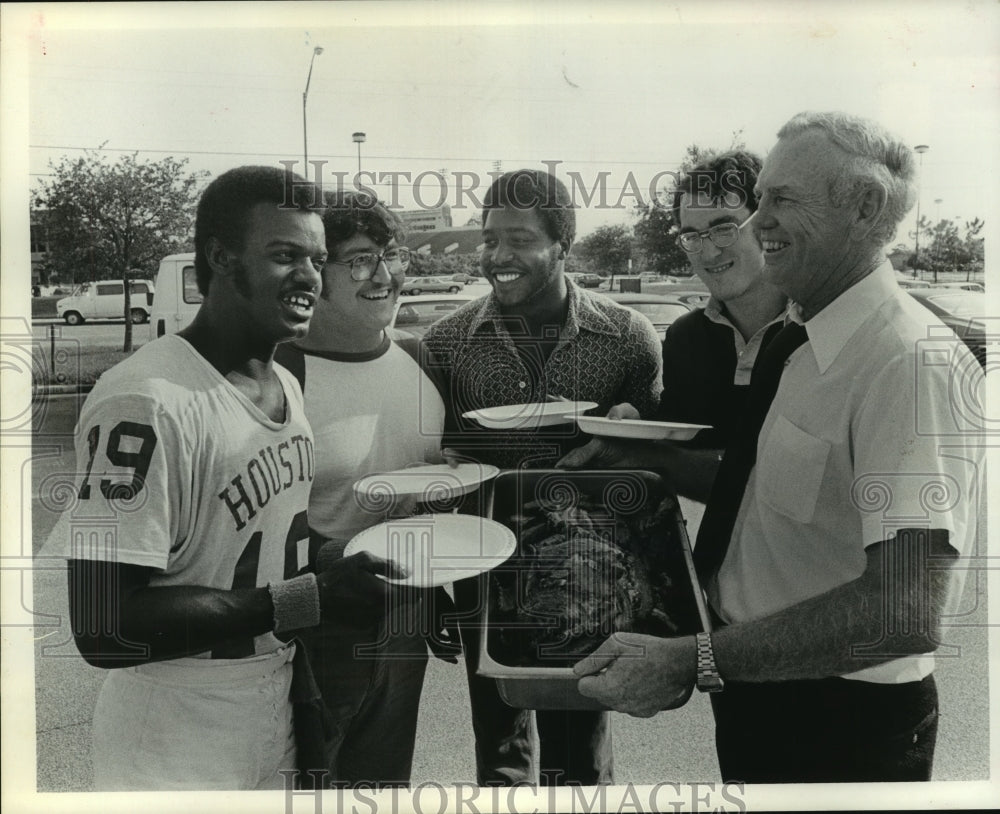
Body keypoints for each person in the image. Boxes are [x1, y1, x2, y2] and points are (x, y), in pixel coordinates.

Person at [572, 112, 986, 783]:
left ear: (865, 206)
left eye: (781, 199)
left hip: (841, 719)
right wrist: (646, 458)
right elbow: (764, 494)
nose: (759, 221)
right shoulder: (805, 342)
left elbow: (904, 613)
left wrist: (694, 660)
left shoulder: (907, 361)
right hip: (761, 688)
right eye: (760, 198)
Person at [40, 165, 400, 791]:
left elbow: (259, 538)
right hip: (176, 723)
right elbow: (103, 626)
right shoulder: (143, 398)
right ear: (220, 257)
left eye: (316, 259)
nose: (309, 277)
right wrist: (310, 598)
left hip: (273, 695)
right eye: (285, 255)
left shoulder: (284, 380)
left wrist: (359, 562)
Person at [421, 169, 662, 786]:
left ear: (563, 245)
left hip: (589, 575)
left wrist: (624, 442)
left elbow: (653, 468)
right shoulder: (447, 344)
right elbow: (427, 474)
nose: (498, 256)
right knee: (499, 750)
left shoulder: (629, 338)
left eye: (520, 239)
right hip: (482, 574)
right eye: (489, 238)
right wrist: (427, 587)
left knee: (579, 753)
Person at [274, 191, 456, 788]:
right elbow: (247, 530)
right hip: (310, 636)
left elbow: (426, 495)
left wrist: (433, 586)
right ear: (312, 274)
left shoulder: (422, 361)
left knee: (381, 790)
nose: (383, 275)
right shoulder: (275, 375)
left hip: (403, 625)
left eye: (389, 255)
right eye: (358, 260)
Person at [560, 150, 787, 498]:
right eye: (692, 236)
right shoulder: (686, 337)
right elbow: (684, 449)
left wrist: (654, 455)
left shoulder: (812, 331)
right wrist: (636, 428)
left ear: (764, 222)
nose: (708, 253)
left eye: (724, 229)